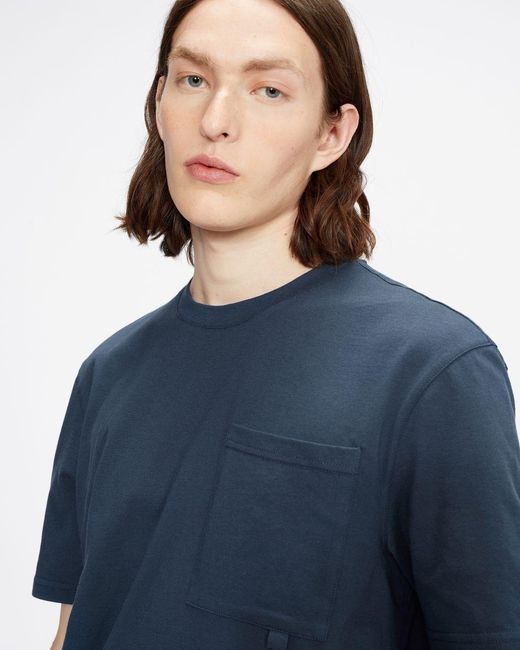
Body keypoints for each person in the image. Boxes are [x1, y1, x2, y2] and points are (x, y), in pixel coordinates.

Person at [32, 0, 520, 648]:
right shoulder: (108, 374)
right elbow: (74, 631)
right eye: (193, 79)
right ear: (159, 102)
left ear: (332, 134)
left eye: (269, 90)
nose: (215, 121)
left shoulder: (431, 372)